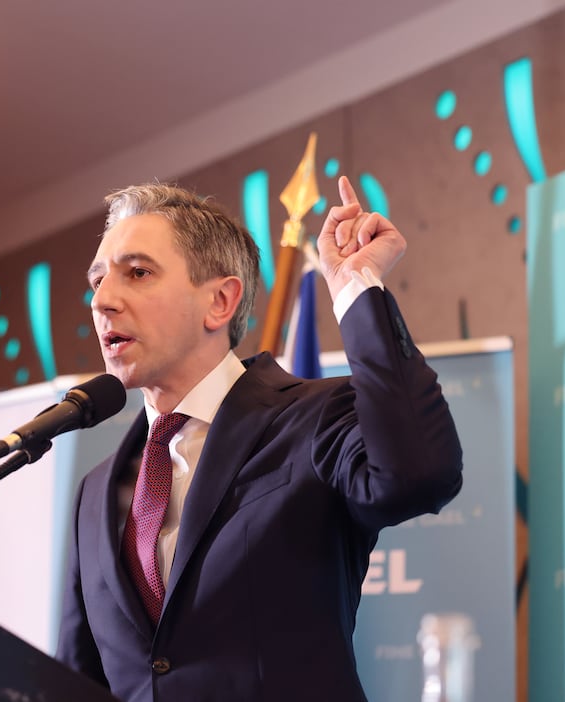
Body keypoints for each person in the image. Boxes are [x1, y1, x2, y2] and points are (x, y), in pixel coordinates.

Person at [55, 177, 463, 702]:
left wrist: (357, 282)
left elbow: (419, 476)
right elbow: (78, 680)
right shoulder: (93, 493)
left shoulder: (313, 417)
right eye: (97, 281)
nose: (103, 300)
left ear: (220, 302)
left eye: (137, 273)